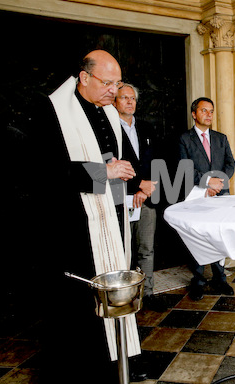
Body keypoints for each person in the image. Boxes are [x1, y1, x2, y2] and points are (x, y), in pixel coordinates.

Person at [35, 50, 145, 383]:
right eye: (108, 83)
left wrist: (130, 177)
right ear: (85, 77)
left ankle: (122, 357)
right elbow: (44, 170)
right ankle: (90, 365)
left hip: (111, 215)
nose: (114, 91)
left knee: (117, 286)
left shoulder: (107, 114)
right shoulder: (52, 111)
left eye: (118, 83)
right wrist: (104, 171)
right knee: (82, 299)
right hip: (76, 223)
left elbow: (118, 160)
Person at [115, 83, 166, 312]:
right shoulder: (109, 129)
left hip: (146, 199)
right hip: (121, 199)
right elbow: (110, 165)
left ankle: (149, 294)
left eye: (132, 98)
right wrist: (137, 187)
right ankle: (124, 297)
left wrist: (146, 189)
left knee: (146, 248)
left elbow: (156, 161)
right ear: (115, 101)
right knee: (123, 251)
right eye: (124, 98)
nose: (129, 102)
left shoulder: (146, 128)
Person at [179, 97, 235, 300]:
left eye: (211, 111)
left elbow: (231, 163)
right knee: (197, 236)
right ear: (194, 114)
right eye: (204, 111)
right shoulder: (185, 139)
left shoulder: (221, 138)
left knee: (218, 234)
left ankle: (220, 278)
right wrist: (207, 183)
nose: (209, 115)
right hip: (196, 195)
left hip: (220, 194)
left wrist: (218, 182)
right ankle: (198, 280)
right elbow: (185, 168)